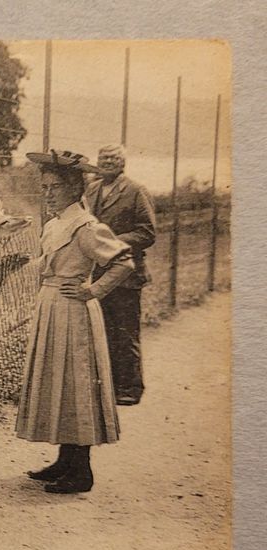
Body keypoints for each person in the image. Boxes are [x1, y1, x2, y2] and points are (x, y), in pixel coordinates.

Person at [17, 150, 136, 494]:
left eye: (55, 187)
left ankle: (81, 470)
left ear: (74, 189)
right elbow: (49, 262)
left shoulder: (86, 227)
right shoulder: (55, 224)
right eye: (45, 186)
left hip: (74, 312)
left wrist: (93, 289)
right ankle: (65, 460)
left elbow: (124, 261)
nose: (48, 193)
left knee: (76, 383)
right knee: (59, 383)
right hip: (52, 308)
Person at [83, 144, 157, 406]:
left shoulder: (136, 191)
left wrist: (111, 241)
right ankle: (106, 386)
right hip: (97, 273)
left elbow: (147, 233)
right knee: (99, 330)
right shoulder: (91, 190)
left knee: (125, 332)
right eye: (104, 158)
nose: (108, 162)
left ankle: (129, 388)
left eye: (114, 158)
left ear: (123, 163)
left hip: (126, 275)